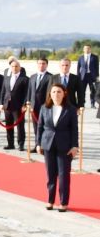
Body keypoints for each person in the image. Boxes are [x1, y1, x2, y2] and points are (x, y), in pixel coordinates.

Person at [36, 83, 79, 212]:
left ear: (64, 93)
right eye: (53, 92)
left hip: (64, 146)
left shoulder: (70, 109)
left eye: (59, 92)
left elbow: (74, 129)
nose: (56, 94)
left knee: (63, 175)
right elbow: (39, 127)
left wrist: (74, 146)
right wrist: (38, 143)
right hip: (48, 144)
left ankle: (63, 202)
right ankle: (50, 200)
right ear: (50, 94)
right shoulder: (45, 108)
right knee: (50, 175)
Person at [0, 59, 29, 150]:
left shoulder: (25, 79)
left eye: (16, 66)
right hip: (7, 105)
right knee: (8, 125)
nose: (14, 68)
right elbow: (3, 91)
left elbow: (27, 93)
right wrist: (1, 103)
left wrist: (24, 105)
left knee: (20, 126)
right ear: (10, 67)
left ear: (20, 67)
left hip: (18, 106)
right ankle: (10, 144)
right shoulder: (7, 78)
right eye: (12, 66)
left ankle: (21, 144)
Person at [26, 57, 51, 136]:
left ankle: (44, 146)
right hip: (34, 106)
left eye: (43, 64)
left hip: (45, 105)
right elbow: (29, 91)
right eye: (39, 63)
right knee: (35, 126)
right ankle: (37, 145)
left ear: (47, 65)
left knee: (44, 126)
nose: (41, 65)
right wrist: (28, 102)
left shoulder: (50, 77)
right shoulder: (32, 76)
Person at [76, 44, 98, 108]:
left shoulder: (95, 57)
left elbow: (96, 67)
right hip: (83, 76)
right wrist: (78, 76)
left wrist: (97, 76)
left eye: (88, 48)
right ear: (83, 49)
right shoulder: (80, 57)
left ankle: (92, 104)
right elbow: (78, 67)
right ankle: (82, 103)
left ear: (90, 49)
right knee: (82, 91)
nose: (87, 49)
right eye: (85, 48)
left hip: (92, 76)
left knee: (93, 91)